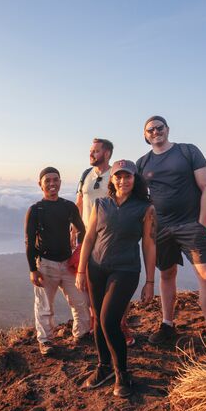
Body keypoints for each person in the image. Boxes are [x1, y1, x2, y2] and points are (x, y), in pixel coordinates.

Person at [136, 116, 206, 354]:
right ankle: (167, 324)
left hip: (190, 224)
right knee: (167, 274)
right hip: (160, 227)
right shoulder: (142, 162)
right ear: (145, 135)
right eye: (150, 130)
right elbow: (139, 197)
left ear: (167, 129)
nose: (155, 132)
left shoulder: (187, 151)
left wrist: (202, 224)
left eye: (159, 128)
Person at [76, 160, 156, 397]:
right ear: (112, 179)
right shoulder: (101, 204)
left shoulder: (145, 208)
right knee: (97, 320)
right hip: (96, 268)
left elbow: (150, 245)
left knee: (109, 320)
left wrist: (150, 282)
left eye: (127, 176)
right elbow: (89, 238)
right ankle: (104, 367)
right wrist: (81, 270)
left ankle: (122, 373)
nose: (123, 181)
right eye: (118, 176)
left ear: (135, 179)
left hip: (126, 270)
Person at [25, 167, 91, 356]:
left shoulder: (68, 206)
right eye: (48, 181)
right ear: (41, 184)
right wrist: (32, 269)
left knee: (80, 301)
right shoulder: (35, 210)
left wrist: (79, 253)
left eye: (56, 180)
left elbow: (83, 231)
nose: (52, 184)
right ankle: (45, 341)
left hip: (68, 263)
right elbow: (29, 241)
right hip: (45, 265)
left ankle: (82, 334)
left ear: (60, 182)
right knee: (45, 307)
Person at [75, 139, 135, 346]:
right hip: (88, 236)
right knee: (92, 285)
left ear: (107, 153)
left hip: (113, 238)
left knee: (117, 286)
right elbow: (80, 203)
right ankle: (98, 324)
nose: (91, 154)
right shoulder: (86, 175)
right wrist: (74, 228)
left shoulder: (117, 175)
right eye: (90, 150)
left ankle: (121, 325)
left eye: (96, 151)